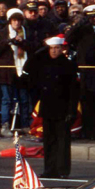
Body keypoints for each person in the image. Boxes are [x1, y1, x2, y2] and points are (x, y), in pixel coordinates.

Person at [30, 36, 78, 178]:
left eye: (57, 48)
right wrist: (42, 50)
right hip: (48, 108)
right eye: (51, 48)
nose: (54, 51)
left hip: (63, 109)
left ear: (61, 49)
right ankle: (49, 169)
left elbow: (73, 90)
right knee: (49, 141)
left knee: (62, 142)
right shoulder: (44, 64)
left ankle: (63, 170)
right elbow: (30, 64)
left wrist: (72, 110)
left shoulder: (68, 65)